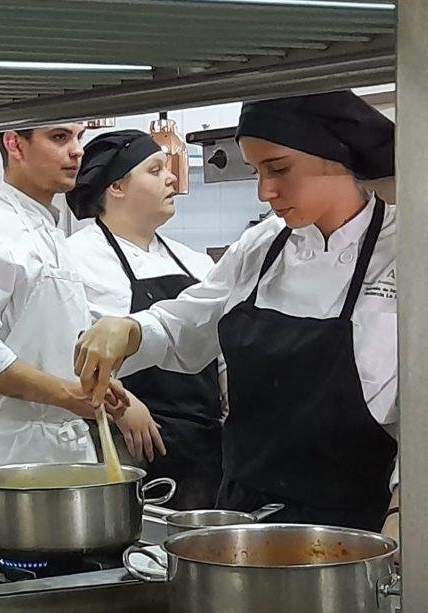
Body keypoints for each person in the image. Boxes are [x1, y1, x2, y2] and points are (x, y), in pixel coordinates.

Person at [75, 91, 398, 533]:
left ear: (336, 156)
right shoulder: (263, 246)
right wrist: (130, 329)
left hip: (361, 528)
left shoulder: (404, 251)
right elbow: (189, 324)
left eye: (279, 169)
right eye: (256, 171)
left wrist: (405, 516)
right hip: (244, 515)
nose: (265, 191)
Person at [0, 124, 148, 473]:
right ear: (14, 144)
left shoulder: (52, 229)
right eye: (60, 138)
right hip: (8, 449)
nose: (77, 151)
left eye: (79, 138)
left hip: (68, 442)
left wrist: (94, 385)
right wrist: (66, 394)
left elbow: (47, 336)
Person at [65, 130, 223, 509]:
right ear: (116, 187)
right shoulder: (74, 260)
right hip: (130, 442)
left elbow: (216, 344)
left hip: (202, 439)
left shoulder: (195, 261)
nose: (172, 179)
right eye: (155, 170)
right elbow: (61, 350)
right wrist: (120, 402)